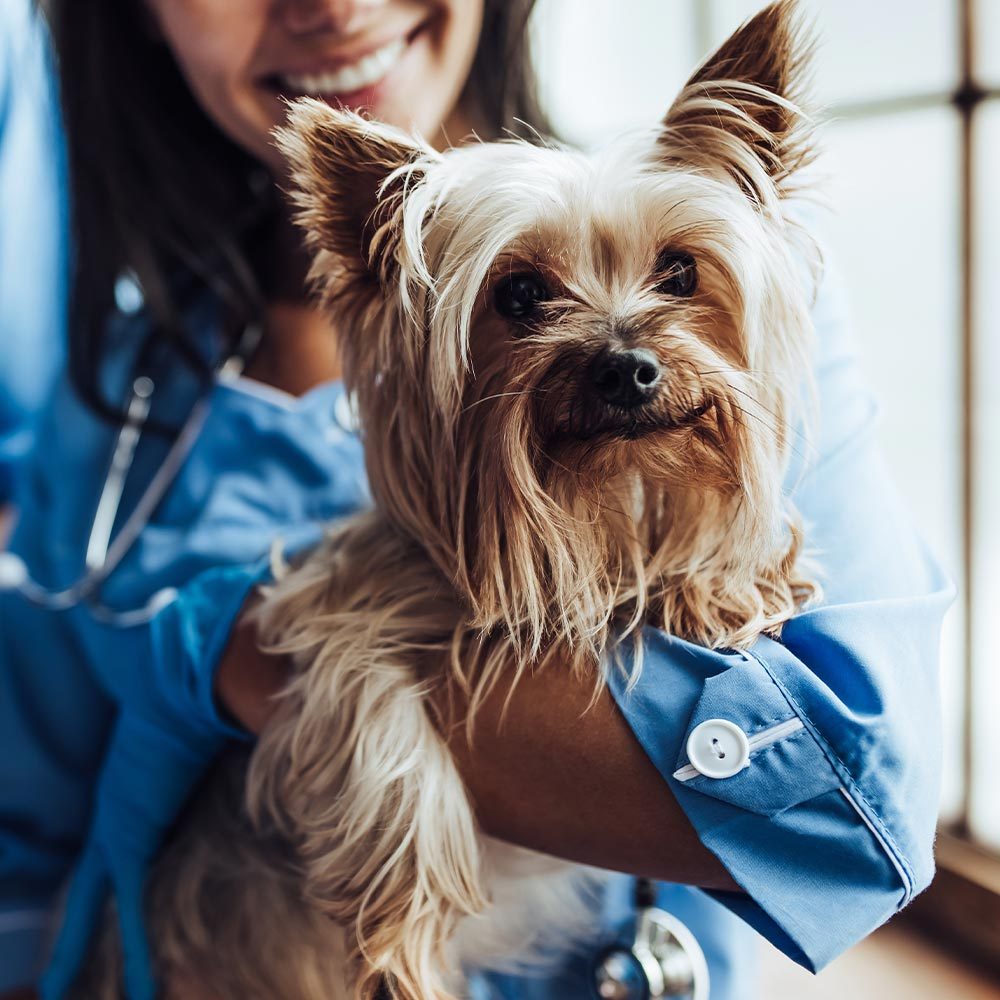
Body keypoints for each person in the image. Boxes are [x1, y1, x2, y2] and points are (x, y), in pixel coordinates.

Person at [0, 1, 953, 998]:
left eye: (675, 276)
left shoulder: (760, 316)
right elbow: (26, 833)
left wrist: (248, 656)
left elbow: (853, 816)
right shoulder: (114, 393)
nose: (329, 7)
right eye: (521, 299)